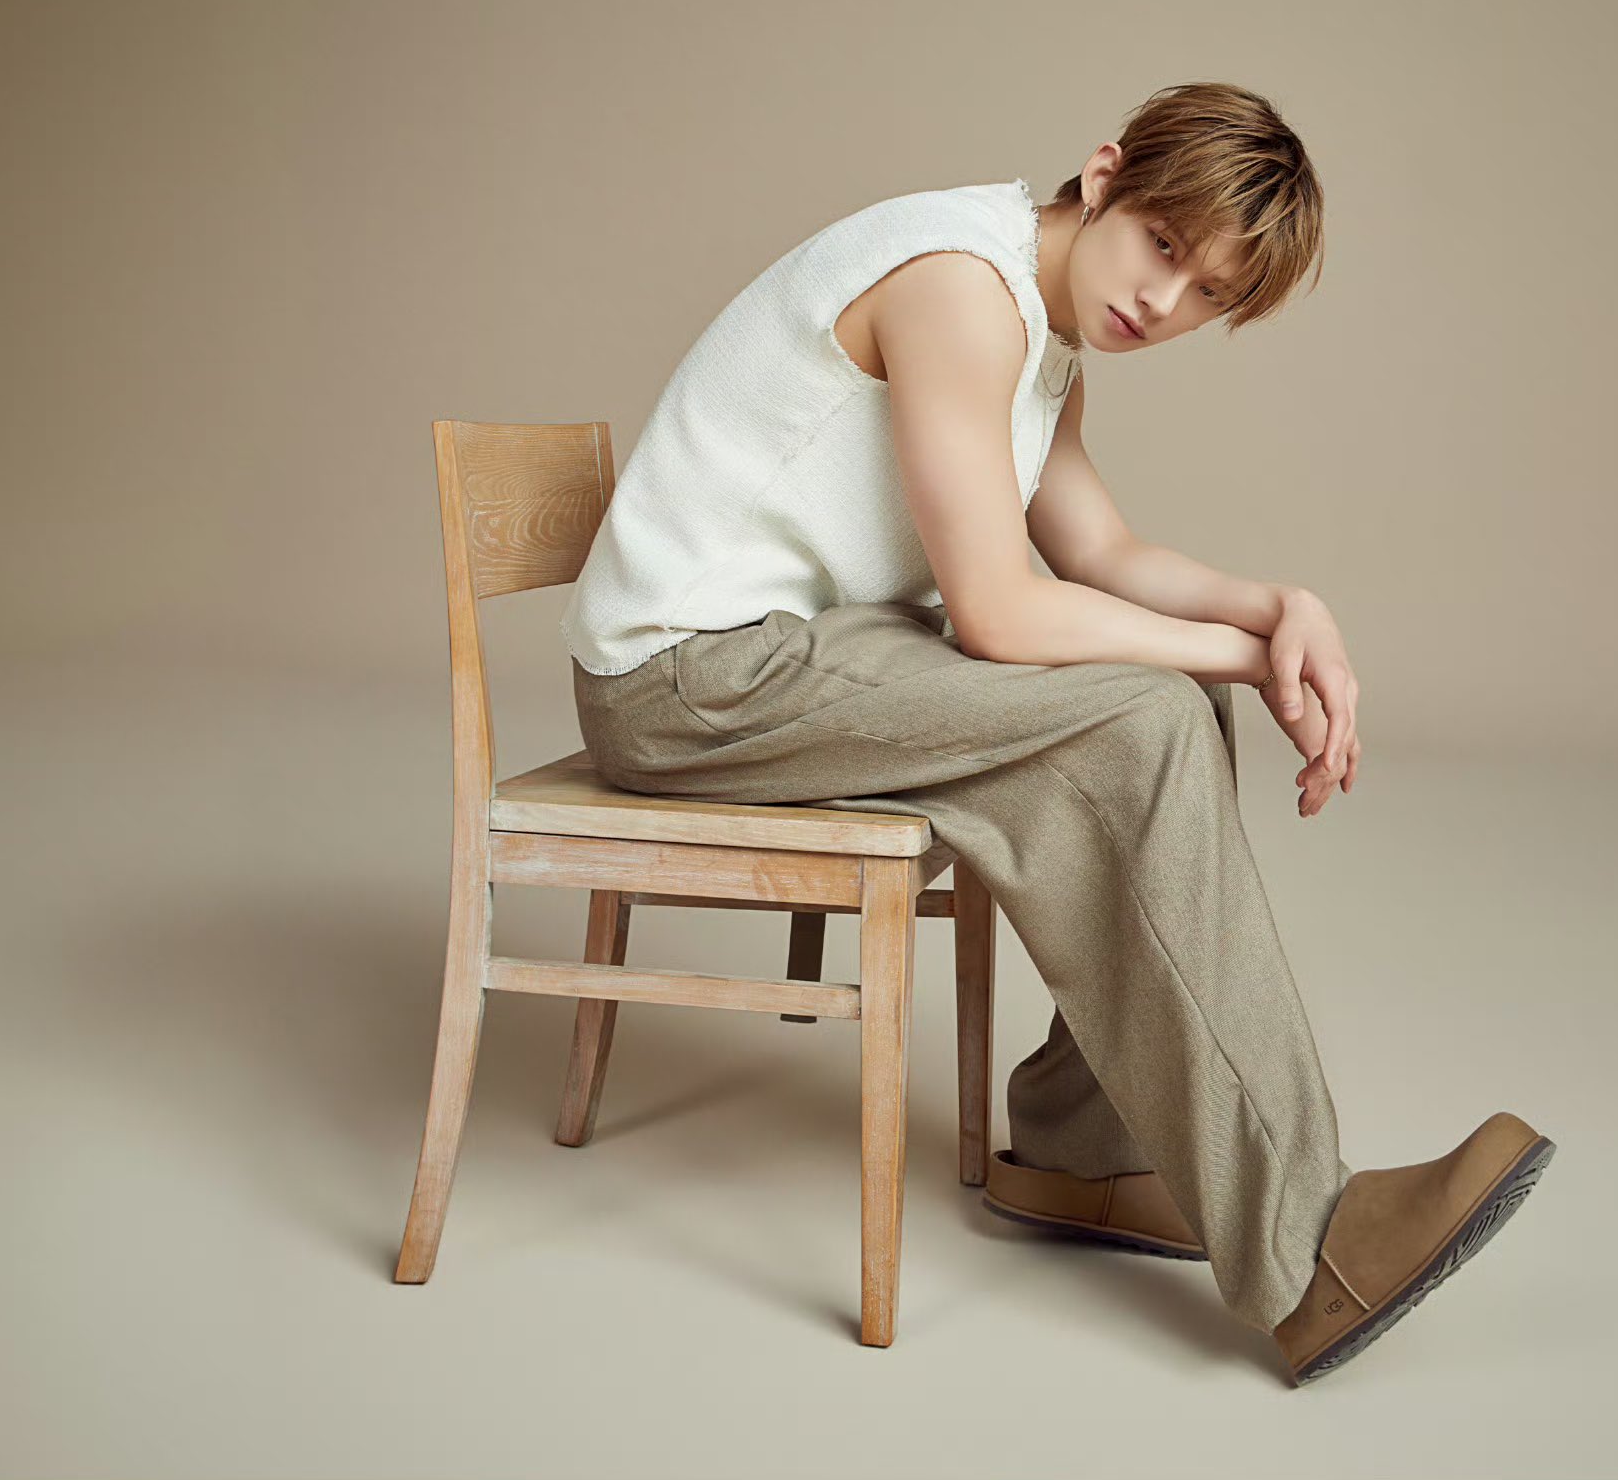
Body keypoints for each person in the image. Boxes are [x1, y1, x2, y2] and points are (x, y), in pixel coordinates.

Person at [561, 80, 1555, 1384]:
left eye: (1207, 293)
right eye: (1162, 245)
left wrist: (1280, 608)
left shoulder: (1044, 329)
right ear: (1102, 175)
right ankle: (1311, 1246)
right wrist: (1249, 658)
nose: (1164, 300)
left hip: (800, 647)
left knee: (1168, 700)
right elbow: (998, 613)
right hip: (688, 679)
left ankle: (1089, 1149)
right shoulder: (962, 291)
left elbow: (1102, 554)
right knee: (1144, 713)